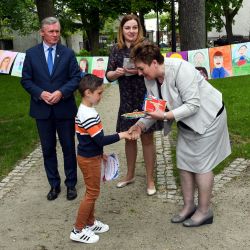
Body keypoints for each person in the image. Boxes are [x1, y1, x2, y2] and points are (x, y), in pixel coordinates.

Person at [129, 43, 231, 227]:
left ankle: (204, 211)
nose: (139, 73)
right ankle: (189, 206)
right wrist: (140, 125)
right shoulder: (150, 77)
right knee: (184, 163)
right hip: (186, 122)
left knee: (201, 165)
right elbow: (156, 107)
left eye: (141, 68)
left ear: (153, 63)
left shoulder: (181, 69)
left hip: (208, 119)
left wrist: (166, 116)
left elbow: (193, 105)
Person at [21, 17, 81, 201]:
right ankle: (54, 185)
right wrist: (40, 93)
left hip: (64, 108)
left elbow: (76, 78)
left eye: (57, 31)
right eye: (51, 31)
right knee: (48, 149)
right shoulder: (31, 54)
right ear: (42, 32)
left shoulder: (68, 54)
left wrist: (61, 92)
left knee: (69, 147)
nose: (55, 34)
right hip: (42, 110)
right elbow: (26, 80)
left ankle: (71, 184)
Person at [70, 74, 131, 244]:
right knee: (92, 193)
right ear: (88, 93)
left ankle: (89, 222)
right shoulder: (86, 114)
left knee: (93, 191)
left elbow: (92, 139)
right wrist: (123, 135)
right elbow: (100, 139)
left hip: (92, 156)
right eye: (99, 93)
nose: (101, 96)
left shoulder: (87, 110)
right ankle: (78, 229)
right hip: (88, 159)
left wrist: (100, 153)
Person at [106, 14, 162, 195]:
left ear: (140, 29)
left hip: (146, 96)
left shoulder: (146, 46)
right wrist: (117, 73)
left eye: (134, 27)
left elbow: (156, 68)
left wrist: (138, 71)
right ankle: (129, 174)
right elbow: (108, 74)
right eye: (127, 28)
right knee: (129, 137)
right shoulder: (116, 49)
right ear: (121, 30)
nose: (131, 31)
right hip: (127, 100)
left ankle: (150, 179)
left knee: (146, 138)